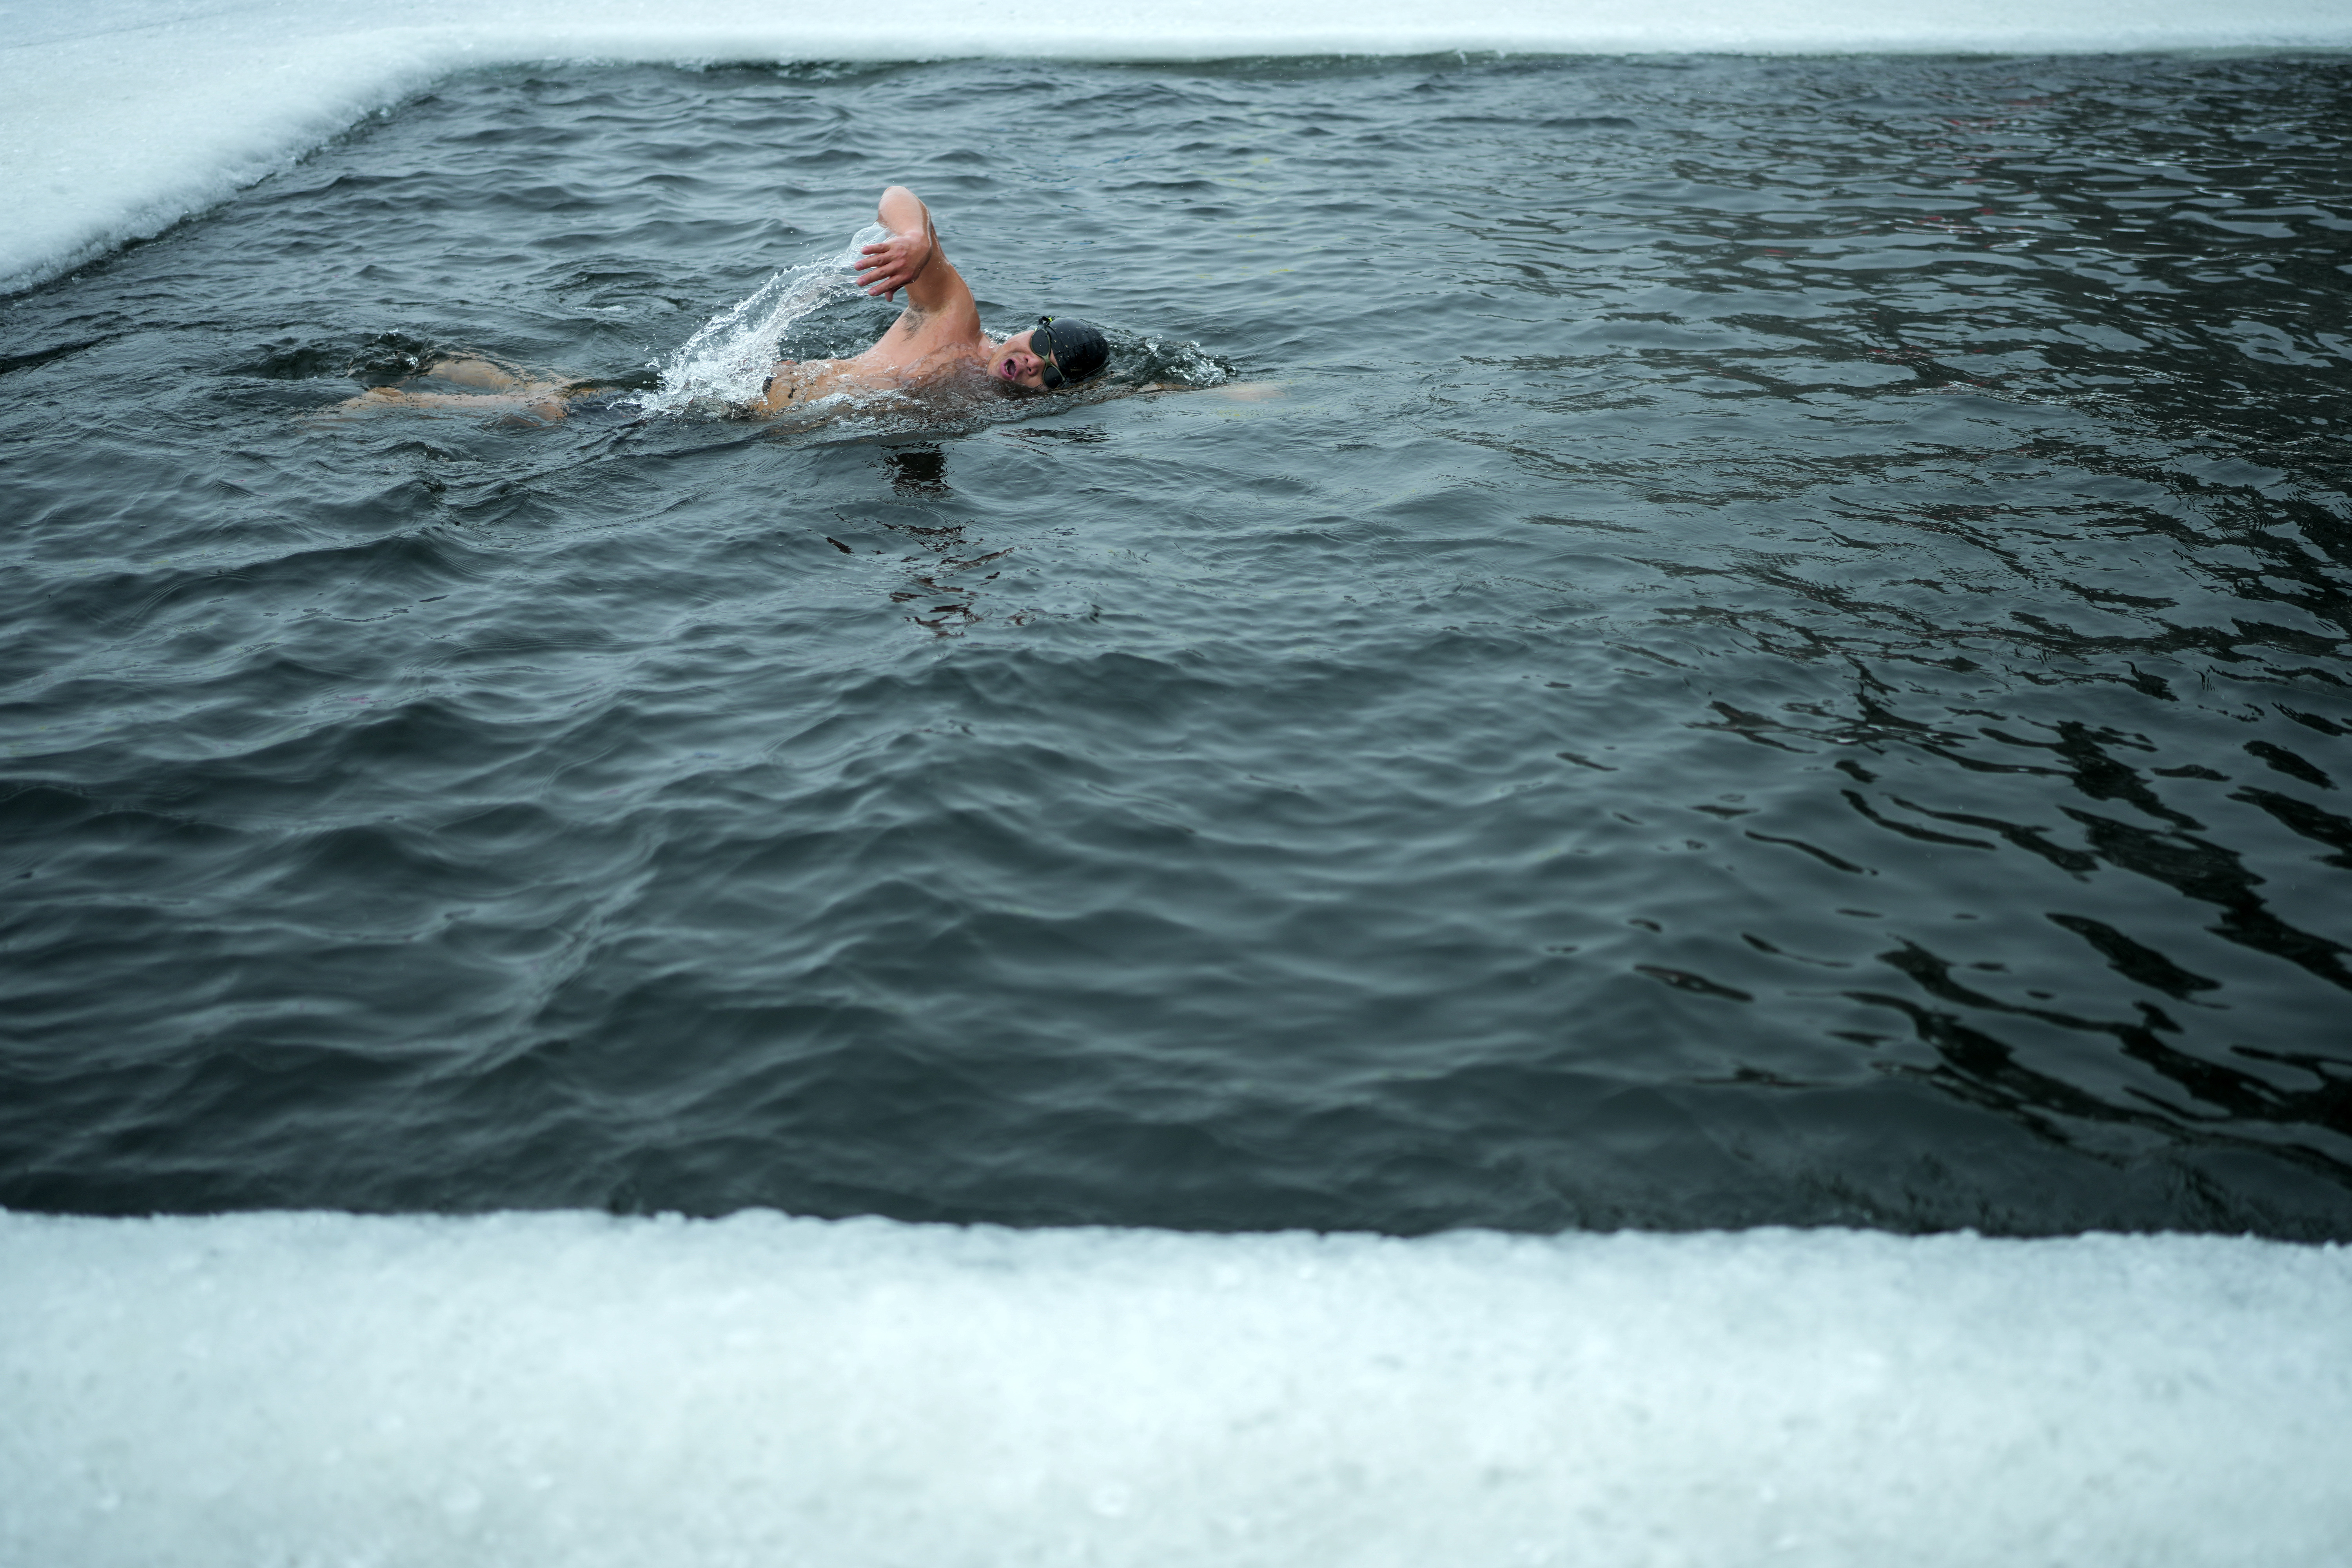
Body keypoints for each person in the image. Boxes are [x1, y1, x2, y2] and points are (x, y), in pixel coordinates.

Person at [345, 185, 1111, 421]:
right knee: (551, 413)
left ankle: (445, 366)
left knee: (559, 397)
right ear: (1026, 325)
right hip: (740, 399)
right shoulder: (954, 324)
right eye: (1036, 344)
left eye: (1047, 372)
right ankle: (384, 402)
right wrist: (912, 241)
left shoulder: (982, 399)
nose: (1028, 363)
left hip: (738, 403)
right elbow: (900, 198)